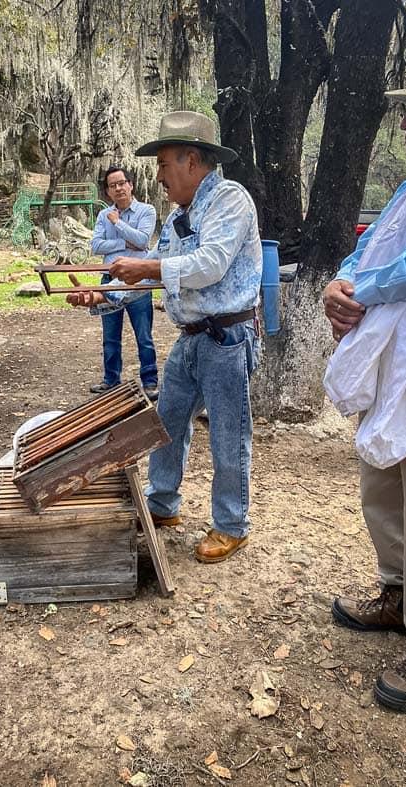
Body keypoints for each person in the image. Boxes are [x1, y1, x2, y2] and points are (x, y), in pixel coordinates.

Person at [69, 111, 262, 564]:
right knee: (167, 424)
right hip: (192, 337)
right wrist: (101, 294)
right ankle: (162, 504)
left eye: (163, 165)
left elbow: (209, 264)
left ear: (191, 161)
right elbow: (153, 267)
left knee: (229, 435)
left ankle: (232, 524)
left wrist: (149, 268)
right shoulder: (180, 214)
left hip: (227, 336)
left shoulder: (230, 201)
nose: (157, 177)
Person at [323, 50, 406, 712]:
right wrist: (340, 284)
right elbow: (368, 246)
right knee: (384, 493)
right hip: (395, 377)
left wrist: (362, 290)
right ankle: (397, 596)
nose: (404, 125)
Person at [89, 166, 159, 401]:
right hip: (109, 279)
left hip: (138, 280)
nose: (118, 188)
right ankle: (111, 380)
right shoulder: (103, 215)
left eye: (122, 183)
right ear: (107, 191)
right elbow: (96, 246)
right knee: (110, 335)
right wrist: (125, 243)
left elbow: (143, 240)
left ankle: (150, 381)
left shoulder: (146, 211)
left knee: (143, 334)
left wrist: (118, 224)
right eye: (112, 185)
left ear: (131, 185)